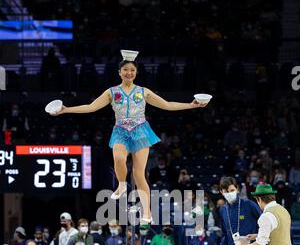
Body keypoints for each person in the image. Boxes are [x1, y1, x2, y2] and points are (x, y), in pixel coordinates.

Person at [51, 49, 210, 227]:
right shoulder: (111, 92)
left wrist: (191, 105)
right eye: (125, 70)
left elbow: (167, 105)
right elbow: (90, 107)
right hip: (120, 130)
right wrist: (66, 109)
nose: (129, 73)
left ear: (136, 73)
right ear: (119, 72)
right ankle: (121, 184)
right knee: (119, 158)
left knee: (138, 174)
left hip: (140, 130)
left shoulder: (143, 92)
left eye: (132, 70)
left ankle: (147, 213)